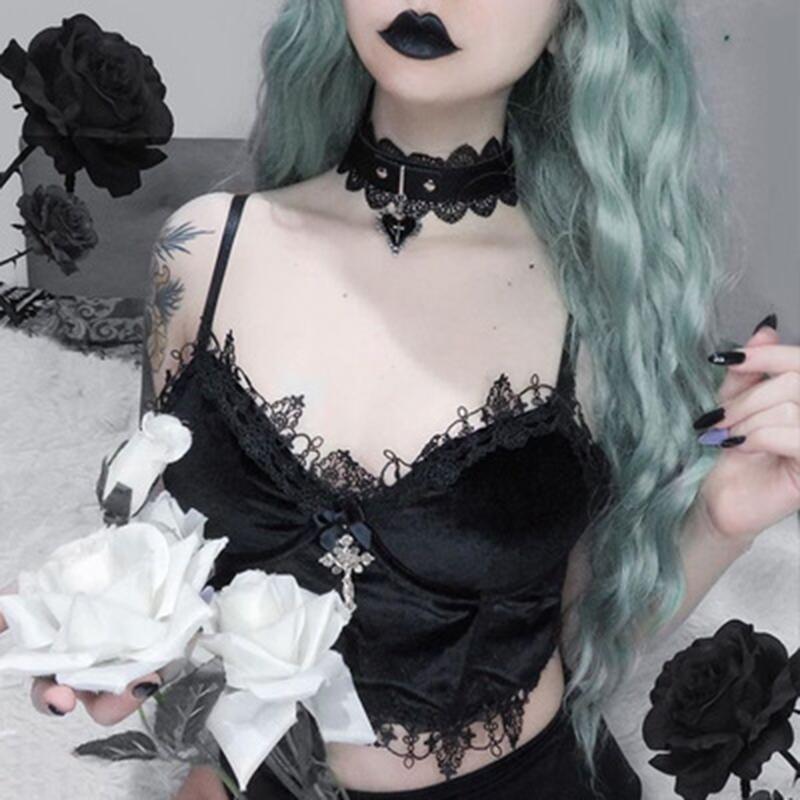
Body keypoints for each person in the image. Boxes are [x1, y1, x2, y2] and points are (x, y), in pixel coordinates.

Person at [8, 2, 798, 799]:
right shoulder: (205, 252)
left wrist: (719, 521)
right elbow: (167, 568)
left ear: (573, 21)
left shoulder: (601, 307)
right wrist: (111, 648)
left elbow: (570, 632)